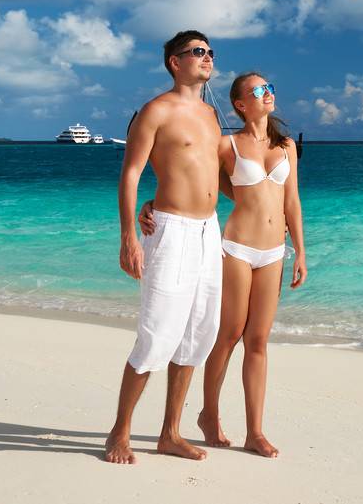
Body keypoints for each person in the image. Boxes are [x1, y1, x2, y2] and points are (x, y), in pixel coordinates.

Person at [141, 71, 307, 458]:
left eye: (270, 87)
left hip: (273, 253)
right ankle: (210, 416)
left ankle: (255, 431)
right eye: (259, 90)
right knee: (229, 334)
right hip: (234, 247)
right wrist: (154, 204)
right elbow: (187, 175)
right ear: (239, 103)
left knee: (259, 341)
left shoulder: (286, 146)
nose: (268, 92)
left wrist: (300, 251)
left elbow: (292, 202)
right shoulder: (225, 144)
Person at [103, 30, 224, 465]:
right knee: (157, 332)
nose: (207, 58)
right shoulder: (155, 111)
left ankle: (170, 432)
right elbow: (131, 173)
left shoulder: (212, 115)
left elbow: (217, 174)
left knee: (198, 333)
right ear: (175, 62)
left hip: (210, 231)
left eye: (210, 52)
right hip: (170, 231)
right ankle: (119, 431)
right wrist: (128, 235)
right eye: (197, 52)